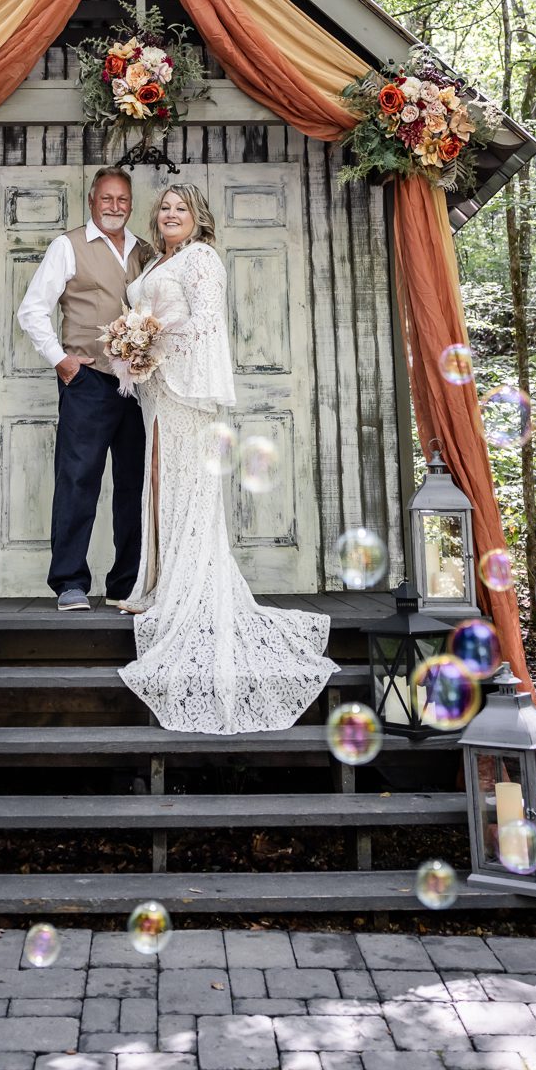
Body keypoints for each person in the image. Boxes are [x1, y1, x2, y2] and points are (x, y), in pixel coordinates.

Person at [116, 182, 336, 732]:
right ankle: (158, 584)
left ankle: (185, 588)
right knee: (159, 485)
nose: (170, 214)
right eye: (164, 208)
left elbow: (207, 322)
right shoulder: (156, 262)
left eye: (181, 208)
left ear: (198, 217)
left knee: (186, 486)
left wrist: (150, 337)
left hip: (187, 390)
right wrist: (135, 347)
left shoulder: (202, 258)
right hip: (159, 389)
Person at [17, 167, 155, 610]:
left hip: (140, 385)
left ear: (130, 204)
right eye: (106, 198)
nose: (115, 206)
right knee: (78, 479)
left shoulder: (145, 250)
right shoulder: (68, 246)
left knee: (135, 484)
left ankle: (126, 583)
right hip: (88, 382)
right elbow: (32, 310)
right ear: (92, 199)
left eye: (122, 199)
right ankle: (70, 582)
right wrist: (62, 361)